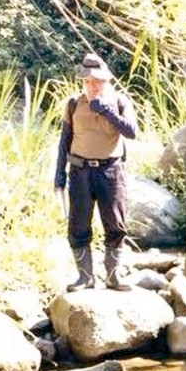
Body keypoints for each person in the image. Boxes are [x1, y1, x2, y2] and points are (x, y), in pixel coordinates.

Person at [54, 52, 137, 292]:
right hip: (80, 171)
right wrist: (59, 173)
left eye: (97, 82)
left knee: (116, 224)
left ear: (106, 81)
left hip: (110, 170)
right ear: (82, 82)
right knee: (78, 225)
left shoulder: (120, 102)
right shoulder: (73, 104)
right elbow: (64, 140)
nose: (92, 86)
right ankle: (85, 277)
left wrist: (106, 111)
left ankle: (114, 276)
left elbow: (132, 132)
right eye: (88, 82)